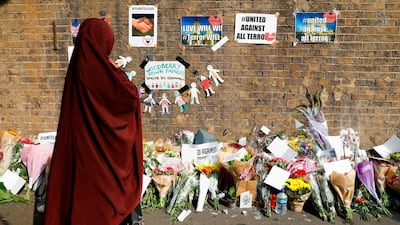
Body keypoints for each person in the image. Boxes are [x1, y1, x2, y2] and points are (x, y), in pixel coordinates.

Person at [43, 18, 144, 225]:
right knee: (103, 203)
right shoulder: (104, 71)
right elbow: (129, 96)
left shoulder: (77, 67)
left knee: (82, 193)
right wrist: (117, 72)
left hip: (81, 148)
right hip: (104, 157)